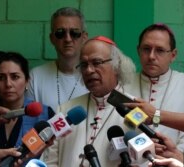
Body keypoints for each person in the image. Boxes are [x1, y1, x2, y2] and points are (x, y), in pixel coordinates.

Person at [40, 36, 137, 166]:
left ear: (116, 66)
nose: (88, 70)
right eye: (84, 65)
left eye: (96, 63)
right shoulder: (65, 109)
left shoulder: (134, 110)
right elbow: (50, 160)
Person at [131, 23, 184, 157]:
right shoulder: (124, 83)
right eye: (146, 49)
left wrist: (170, 158)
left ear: (173, 55)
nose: (151, 56)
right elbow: (123, 129)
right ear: (138, 50)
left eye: (159, 50)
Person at [0, 52, 55, 165]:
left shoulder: (45, 114)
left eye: (15, 77)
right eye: (1, 78)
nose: (8, 84)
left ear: (27, 81)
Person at [26, 7, 89, 112]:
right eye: (60, 33)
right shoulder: (36, 76)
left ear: (84, 37)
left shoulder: (94, 76)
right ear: (52, 38)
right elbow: (29, 121)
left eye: (74, 33)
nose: (68, 39)